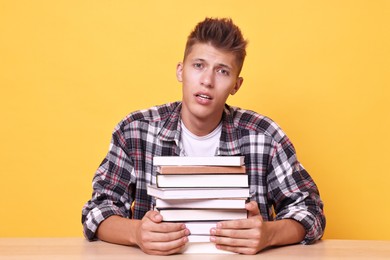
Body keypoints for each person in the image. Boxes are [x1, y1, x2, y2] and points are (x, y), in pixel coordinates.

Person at [82, 17, 325, 255]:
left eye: (222, 71)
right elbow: (97, 211)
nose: (207, 81)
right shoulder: (135, 131)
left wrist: (269, 234)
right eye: (198, 65)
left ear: (236, 85)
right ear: (181, 70)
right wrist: (136, 233)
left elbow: (310, 211)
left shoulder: (265, 136)